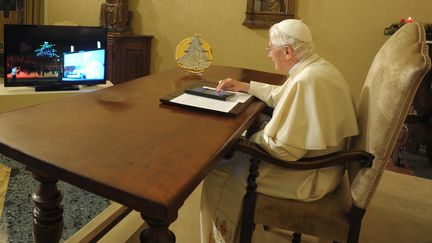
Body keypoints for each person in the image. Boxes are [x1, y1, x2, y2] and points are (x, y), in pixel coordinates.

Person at [200, 19, 359, 243]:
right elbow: (285, 95)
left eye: (270, 48)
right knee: (235, 155)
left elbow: (284, 151)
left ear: (287, 51)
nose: (268, 54)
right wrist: (245, 86)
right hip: (327, 168)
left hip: (308, 178)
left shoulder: (307, 80)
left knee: (219, 170)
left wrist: (244, 140)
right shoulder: (316, 68)